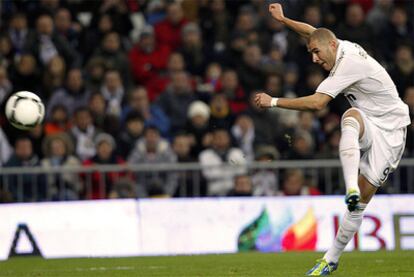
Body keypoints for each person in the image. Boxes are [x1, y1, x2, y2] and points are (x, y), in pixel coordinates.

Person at [254, 3, 410, 276]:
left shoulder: (348, 63)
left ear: (332, 45)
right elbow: (313, 33)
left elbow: (317, 103)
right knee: (350, 117)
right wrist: (283, 19)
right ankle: (349, 191)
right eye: (311, 53)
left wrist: (273, 101)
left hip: (392, 130)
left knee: (362, 202)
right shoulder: (337, 45)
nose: (314, 59)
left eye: (316, 53)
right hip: (369, 120)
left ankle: (332, 257)